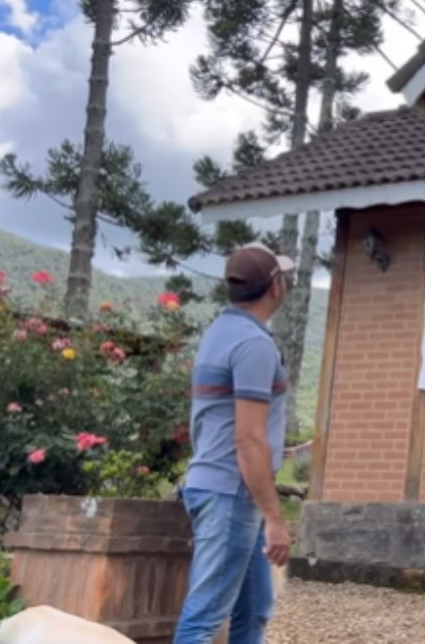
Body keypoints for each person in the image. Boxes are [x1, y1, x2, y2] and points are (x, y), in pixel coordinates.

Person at [173, 243, 294, 644]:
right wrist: (275, 520)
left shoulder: (220, 332)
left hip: (224, 485)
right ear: (275, 286)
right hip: (233, 490)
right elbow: (248, 437)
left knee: (254, 609)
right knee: (203, 619)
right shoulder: (253, 345)